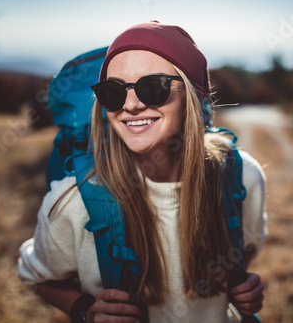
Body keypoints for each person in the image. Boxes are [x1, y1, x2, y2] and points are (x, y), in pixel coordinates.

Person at [18, 21, 267, 323]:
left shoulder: (242, 177)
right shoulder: (73, 200)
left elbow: (247, 247)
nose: (131, 105)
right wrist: (85, 311)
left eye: (154, 87)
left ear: (192, 96)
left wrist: (242, 284)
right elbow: (37, 276)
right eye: (113, 92)